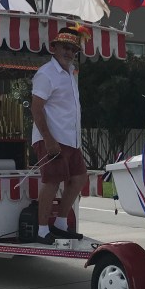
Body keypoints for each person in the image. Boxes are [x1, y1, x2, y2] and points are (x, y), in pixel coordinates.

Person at [30, 24, 89, 244]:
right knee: (52, 181)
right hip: (53, 138)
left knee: (79, 178)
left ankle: (61, 224)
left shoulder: (70, 74)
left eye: (73, 49)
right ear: (54, 48)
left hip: (70, 139)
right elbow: (36, 108)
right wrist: (48, 138)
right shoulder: (46, 73)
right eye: (65, 47)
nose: (69, 53)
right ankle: (43, 230)